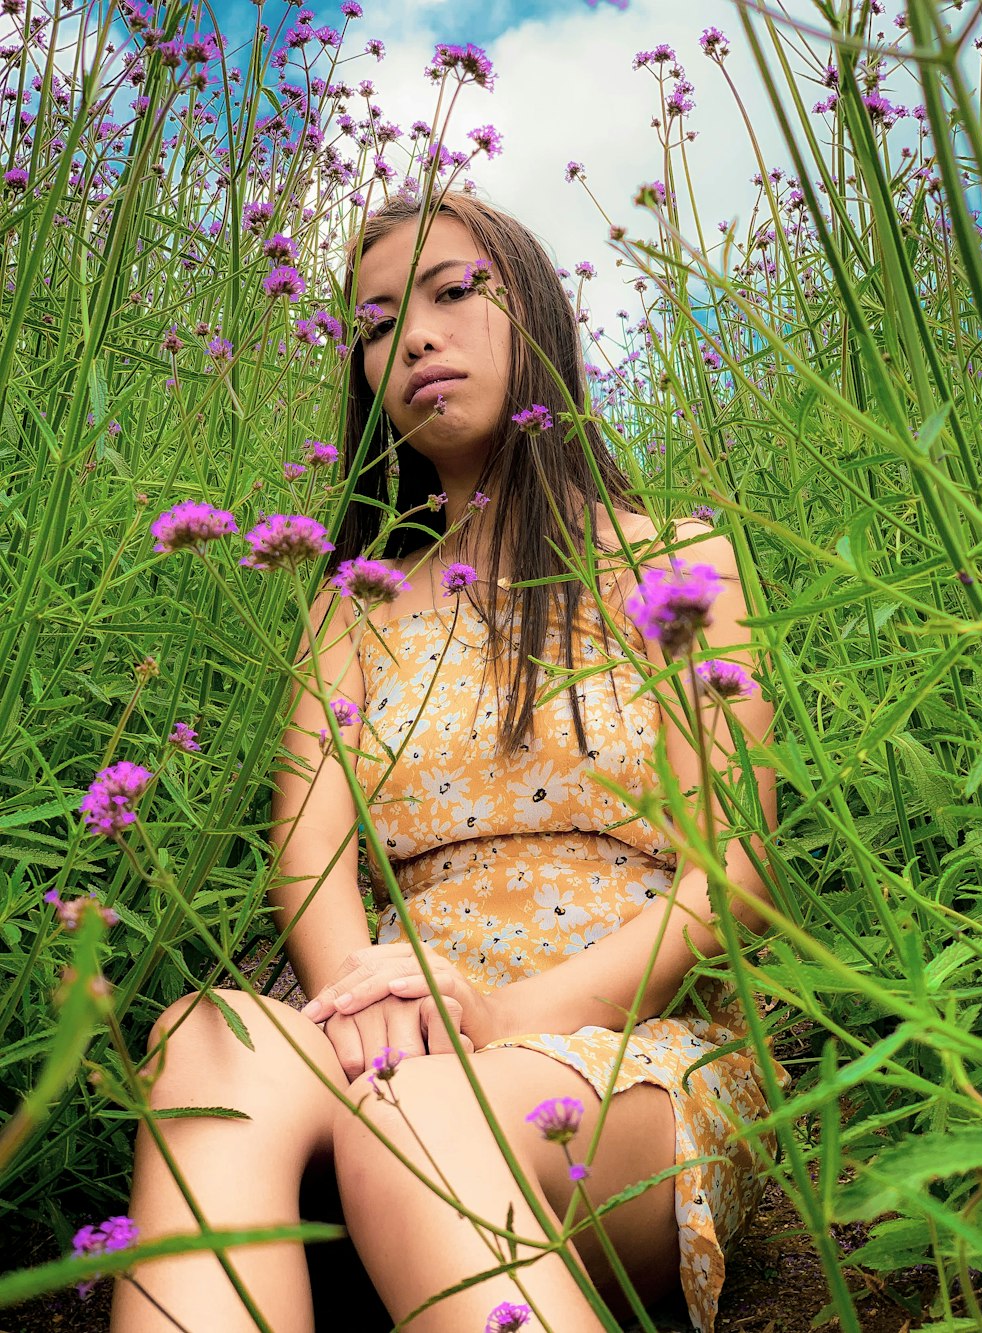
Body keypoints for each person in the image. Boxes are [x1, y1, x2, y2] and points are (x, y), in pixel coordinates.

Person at [112, 191, 783, 1333]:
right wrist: (369, 1004)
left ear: (535, 310)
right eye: (375, 322)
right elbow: (313, 857)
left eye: (451, 290)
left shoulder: (677, 560)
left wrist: (492, 1014)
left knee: (421, 1112)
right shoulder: (353, 605)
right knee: (208, 1039)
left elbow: (730, 878)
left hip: (615, 1052)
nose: (412, 337)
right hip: (392, 1020)